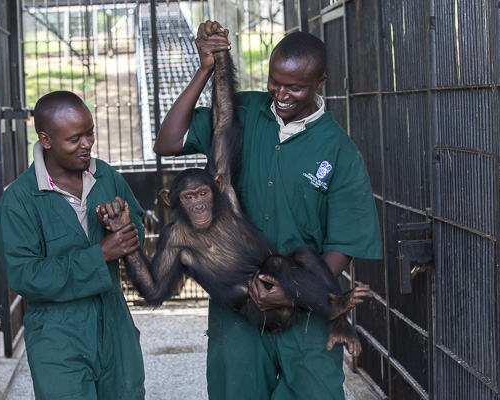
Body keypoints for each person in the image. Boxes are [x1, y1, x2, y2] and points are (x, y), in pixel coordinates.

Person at [153, 21, 383, 400]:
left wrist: (290, 292)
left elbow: (344, 242)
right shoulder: (243, 110)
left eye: (294, 86)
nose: (280, 93)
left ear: (320, 83)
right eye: (274, 81)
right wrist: (206, 69)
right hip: (239, 303)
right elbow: (169, 141)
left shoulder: (339, 150)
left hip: (306, 307)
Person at [0, 90, 145, 400]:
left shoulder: (106, 177)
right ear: (46, 141)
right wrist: (101, 255)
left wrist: (125, 229)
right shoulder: (20, 199)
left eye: (90, 133)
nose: (87, 143)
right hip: (57, 337)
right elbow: (25, 276)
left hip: (115, 326)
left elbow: (138, 234)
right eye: (75, 138)